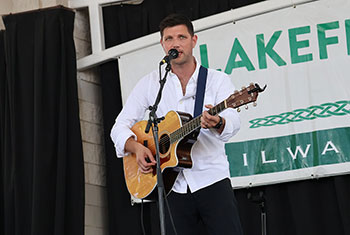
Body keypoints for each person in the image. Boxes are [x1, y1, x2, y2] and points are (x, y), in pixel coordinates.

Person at [110, 13, 243, 235]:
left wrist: (218, 121)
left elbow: (234, 120)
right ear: (162, 44)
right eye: (169, 38)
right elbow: (119, 127)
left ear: (194, 40)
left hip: (212, 179)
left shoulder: (216, 80)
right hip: (172, 186)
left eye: (181, 37)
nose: (175, 43)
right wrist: (137, 147)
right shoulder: (152, 83)